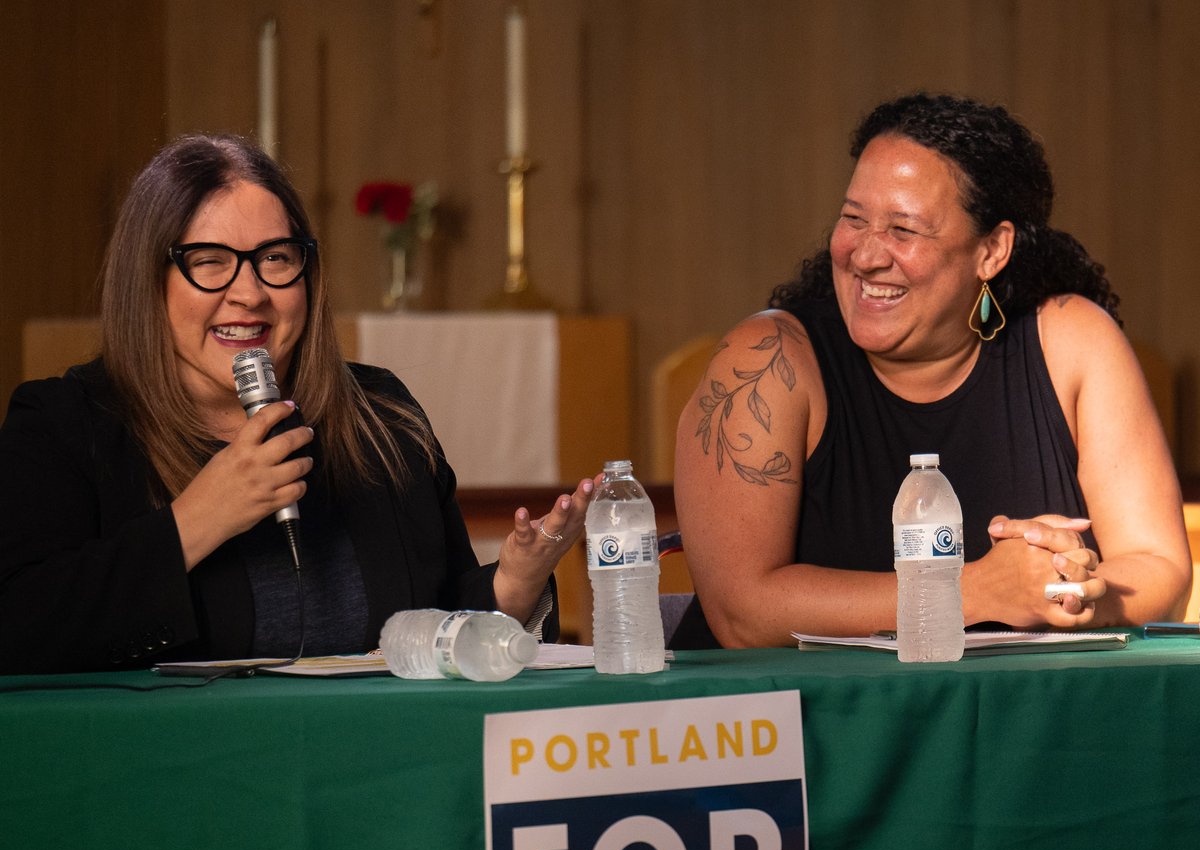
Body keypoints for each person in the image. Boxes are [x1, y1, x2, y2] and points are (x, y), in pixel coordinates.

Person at [0, 134, 593, 674]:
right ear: (147, 282)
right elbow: (20, 627)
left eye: (276, 259)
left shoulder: (381, 416)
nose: (249, 292)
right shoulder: (63, 425)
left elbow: (435, 623)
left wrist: (512, 587)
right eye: (209, 262)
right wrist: (196, 521)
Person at [673, 92, 1191, 648]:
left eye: (904, 230)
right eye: (853, 219)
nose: (865, 255)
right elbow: (741, 612)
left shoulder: (1073, 339)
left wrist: (1070, 590)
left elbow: (1158, 564)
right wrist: (976, 592)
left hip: (1017, 702)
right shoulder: (766, 362)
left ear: (991, 251)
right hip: (800, 705)